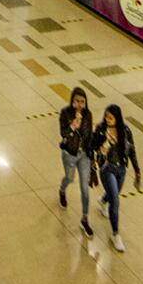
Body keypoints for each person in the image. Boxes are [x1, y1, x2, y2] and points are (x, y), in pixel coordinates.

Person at [90, 104, 141, 252]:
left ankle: (103, 200)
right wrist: (103, 145)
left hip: (121, 170)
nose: (107, 120)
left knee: (114, 195)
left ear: (117, 118)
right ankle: (115, 234)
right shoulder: (100, 130)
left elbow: (131, 151)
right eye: (106, 116)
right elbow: (92, 146)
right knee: (116, 201)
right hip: (107, 169)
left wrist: (137, 171)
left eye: (110, 117)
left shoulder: (125, 131)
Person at [57, 88, 95, 237]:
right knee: (69, 178)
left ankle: (84, 218)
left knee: (85, 188)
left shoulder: (88, 115)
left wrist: (92, 159)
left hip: (83, 155)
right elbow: (63, 133)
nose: (80, 104)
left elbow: (89, 136)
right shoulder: (65, 113)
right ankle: (62, 190)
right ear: (72, 101)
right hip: (69, 154)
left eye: (82, 102)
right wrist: (73, 125)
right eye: (77, 101)